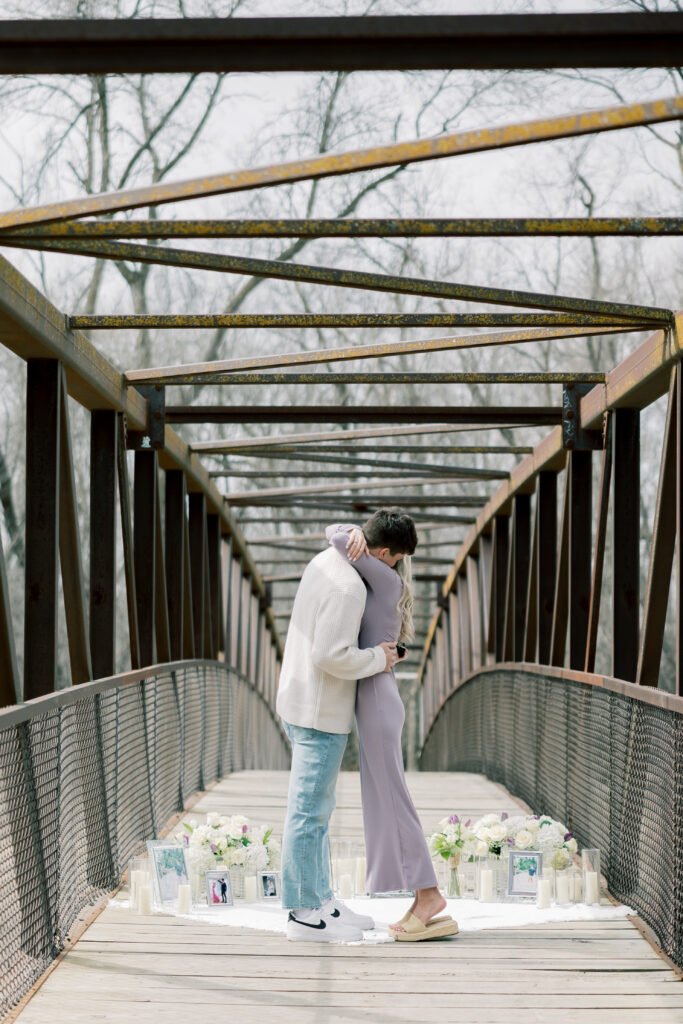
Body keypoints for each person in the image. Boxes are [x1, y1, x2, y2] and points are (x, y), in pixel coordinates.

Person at [325, 509, 459, 942]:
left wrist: (349, 533)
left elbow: (334, 537)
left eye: (372, 551)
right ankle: (422, 890)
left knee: (394, 800)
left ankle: (428, 894)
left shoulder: (384, 577)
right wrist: (353, 533)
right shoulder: (386, 578)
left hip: (379, 705)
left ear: (380, 552)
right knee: (384, 799)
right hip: (377, 701)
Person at [276, 519, 402, 943]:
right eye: (397, 561)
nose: (396, 571)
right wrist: (378, 659)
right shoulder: (348, 587)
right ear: (382, 554)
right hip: (319, 710)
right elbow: (330, 655)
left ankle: (321, 898)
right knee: (309, 813)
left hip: (302, 699)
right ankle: (302, 914)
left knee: (318, 812)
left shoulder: (329, 558)